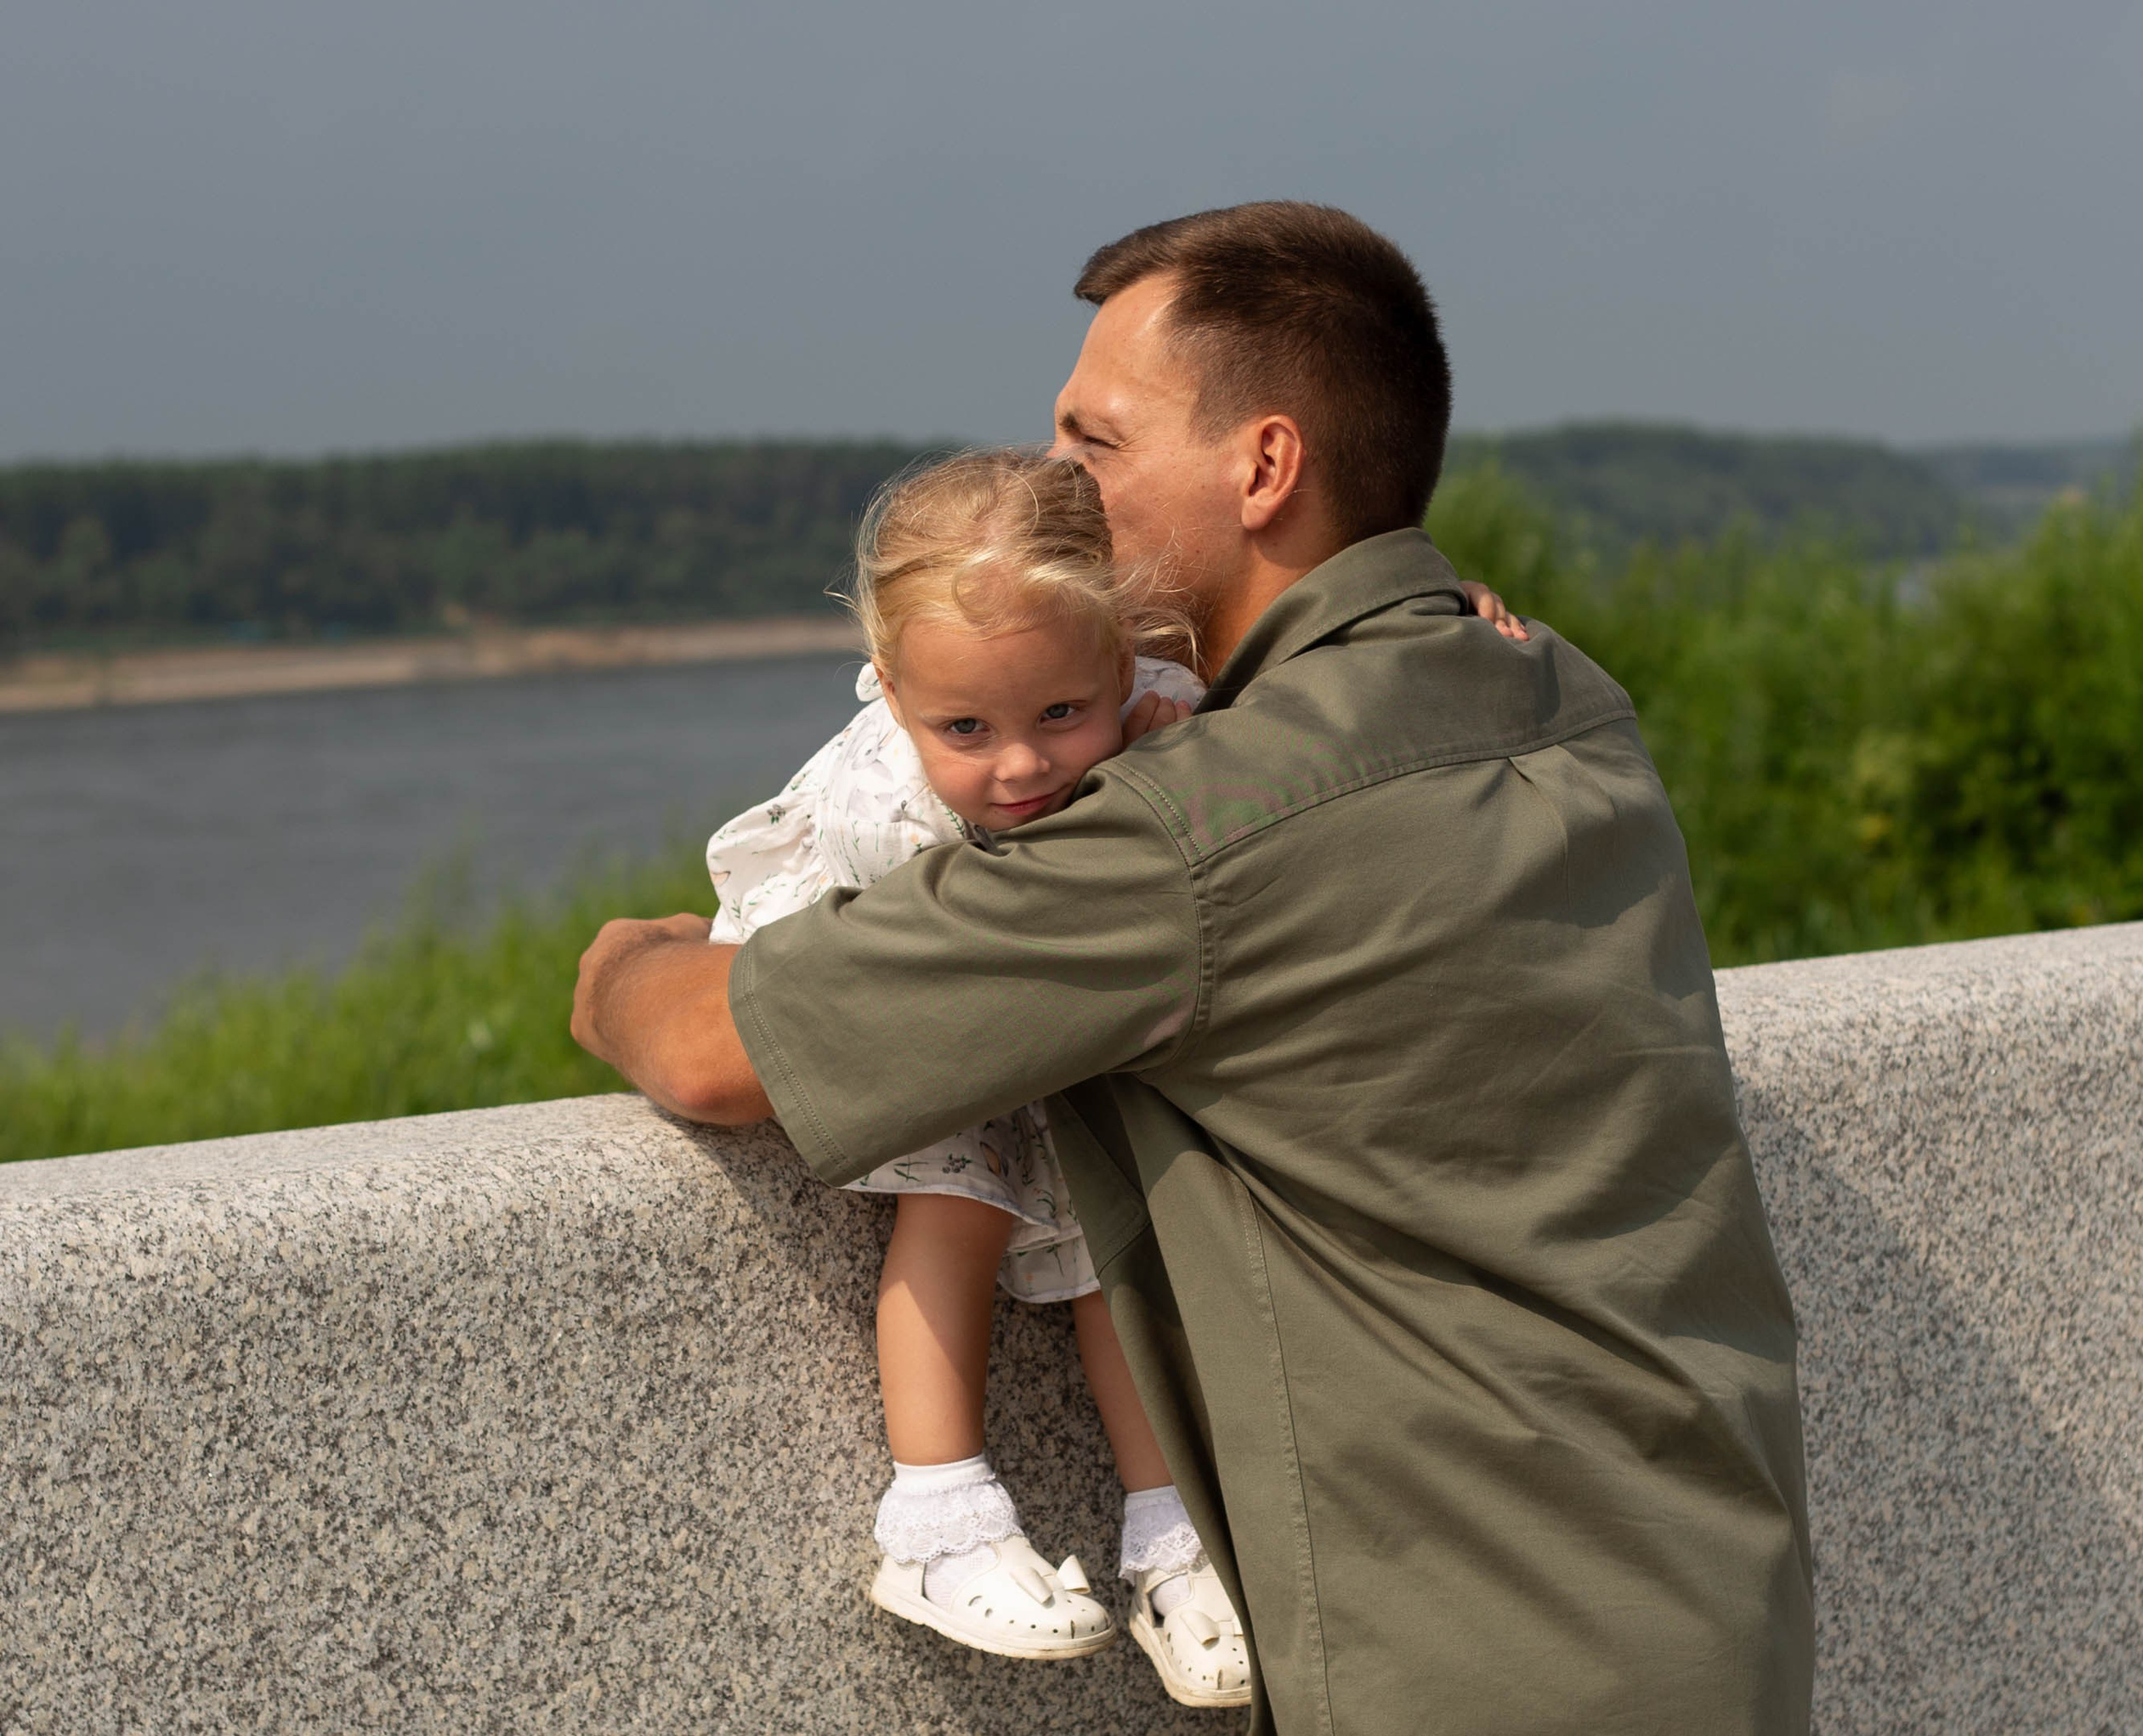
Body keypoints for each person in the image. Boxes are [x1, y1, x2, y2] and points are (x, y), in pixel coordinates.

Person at [575, 201, 1814, 1734]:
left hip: (1480, 1657)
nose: (1054, 485)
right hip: (1715, 1600)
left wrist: (632, 953)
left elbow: (715, 1050)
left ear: (1265, 466)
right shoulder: (1560, 694)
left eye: (1094, 442)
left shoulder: (1196, 825)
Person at [701, 446, 1236, 1699]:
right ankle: (936, 1518)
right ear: (894, 695)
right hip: (897, 1001)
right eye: (966, 730)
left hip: (1037, 1001)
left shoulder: (1153, 703)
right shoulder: (888, 813)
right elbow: (922, 983)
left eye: (1061, 715)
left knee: (1117, 1240)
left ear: (1120, 662)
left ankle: (1173, 1540)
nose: (1020, 766)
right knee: (961, 1195)